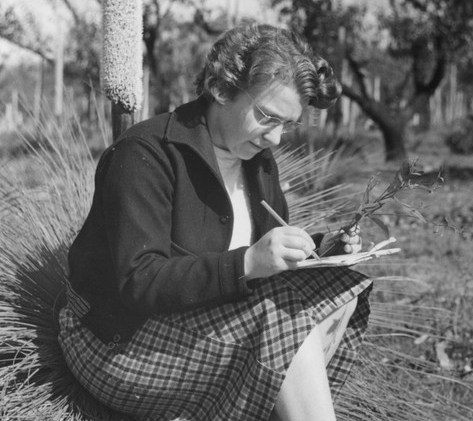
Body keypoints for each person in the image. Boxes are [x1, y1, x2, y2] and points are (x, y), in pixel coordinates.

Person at [58, 23, 372, 421]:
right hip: (116, 339)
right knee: (284, 319)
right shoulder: (145, 154)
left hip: (203, 321)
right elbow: (138, 280)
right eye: (267, 117)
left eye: (287, 124)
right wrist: (247, 264)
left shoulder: (258, 162)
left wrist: (319, 248)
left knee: (336, 293)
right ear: (220, 89)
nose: (275, 139)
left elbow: (260, 256)